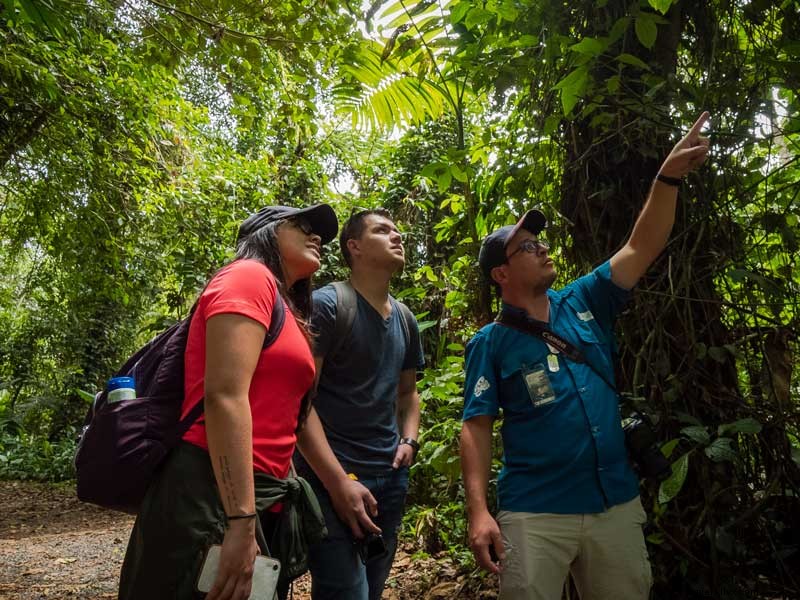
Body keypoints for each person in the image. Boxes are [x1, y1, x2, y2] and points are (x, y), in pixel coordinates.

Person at [460, 113, 711, 600]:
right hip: (535, 511)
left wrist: (668, 177)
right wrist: (479, 511)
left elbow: (642, 244)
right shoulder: (490, 342)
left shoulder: (586, 299)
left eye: (541, 241)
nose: (543, 248)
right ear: (500, 275)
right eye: (528, 247)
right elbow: (476, 426)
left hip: (612, 502)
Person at [118, 203, 339, 600]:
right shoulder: (248, 276)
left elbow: (286, 414)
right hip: (209, 492)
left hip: (256, 494)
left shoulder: (287, 307)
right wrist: (240, 519)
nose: (317, 235)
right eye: (302, 226)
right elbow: (224, 395)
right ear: (266, 234)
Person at [295, 209, 425, 600]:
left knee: (372, 588)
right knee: (344, 590)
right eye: (382, 230)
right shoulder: (329, 305)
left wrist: (410, 440)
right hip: (329, 478)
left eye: (397, 230)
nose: (396, 236)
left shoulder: (404, 318)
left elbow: (408, 394)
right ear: (354, 247)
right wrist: (337, 483)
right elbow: (301, 402)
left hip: (388, 476)